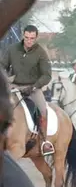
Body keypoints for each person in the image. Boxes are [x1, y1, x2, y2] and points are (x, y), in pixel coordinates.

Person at [0, 24, 53, 155]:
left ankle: (45, 142)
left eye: (32, 38)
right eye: (27, 37)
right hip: (15, 87)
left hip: (33, 89)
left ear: (36, 38)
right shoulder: (12, 49)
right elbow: (2, 66)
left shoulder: (41, 52)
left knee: (43, 110)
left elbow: (47, 75)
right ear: (23, 35)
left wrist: (34, 86)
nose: (29, 41)